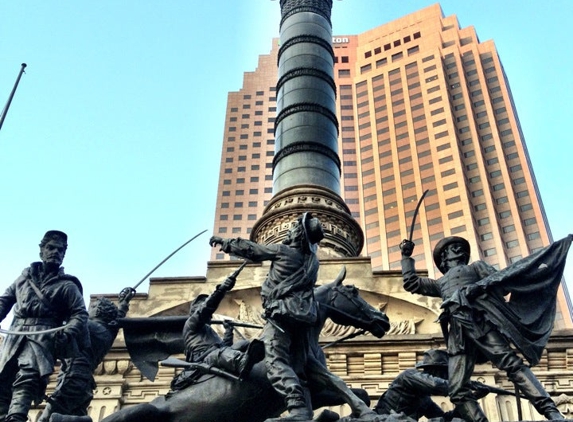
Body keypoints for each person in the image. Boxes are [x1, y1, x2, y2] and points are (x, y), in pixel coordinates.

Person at [211, 213, 378, 422]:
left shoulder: (284, 252)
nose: (289, 231)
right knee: (307, 366)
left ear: (298, 232)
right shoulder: (312, 262)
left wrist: (226, 243)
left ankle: (297, 406)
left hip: (281, 318)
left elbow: (252, 250)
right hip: (303, 320)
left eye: (293, 229)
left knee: (276, 361)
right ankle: (357, 406)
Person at [399, 235, 571, 421]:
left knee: (512, 365)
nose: (457, 250)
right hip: (458, 333)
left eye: (459, 247)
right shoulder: (440, 283)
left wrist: (476, 290)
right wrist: (406, 256)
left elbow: (501, 283)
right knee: (457, 390)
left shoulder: (476, 267)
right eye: (452, 248)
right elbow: (412, 283)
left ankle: (552, 412)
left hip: (480, 323)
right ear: (443, 259)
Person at [0, 231, 89, 422]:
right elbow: (4, 302)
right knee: (4, 376)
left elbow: (80, 314)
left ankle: (16, 416)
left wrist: (68, 331)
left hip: (43, 336)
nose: (55, 252)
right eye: (50, 248)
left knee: (28, 375)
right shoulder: (23, 279)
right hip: (16, 334)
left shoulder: (67, 286)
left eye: (60, 250)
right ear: (41, 250)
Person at [38, 287, 136, 422]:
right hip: (85, 383)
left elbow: (60, 330)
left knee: (46, 418)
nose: (89, 309)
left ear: (98, 311)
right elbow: (118, 319)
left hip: (71, 376)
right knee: (73, 415)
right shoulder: (108, 332)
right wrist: (123, 304)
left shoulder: (87, 326)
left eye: (94, 306)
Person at [170, 264, 264, 392]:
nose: (211, 314)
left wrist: (228, 330)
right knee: (219, 354)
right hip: (205, 357)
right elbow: (206, 309)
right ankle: (241, 362)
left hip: (217, 352)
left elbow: (224, 345)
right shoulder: (191, 323)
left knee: (242, 344)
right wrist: (221, 290)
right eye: (202, 306)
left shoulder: (207, 330)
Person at [374, 349, 489, 420]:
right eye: (445, 374)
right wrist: (467, 385)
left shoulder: (425, 400)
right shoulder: (409, 376)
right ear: (435, 371)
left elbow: (444, 419)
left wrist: (474, 396)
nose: (447, 377)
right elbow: (435, 385)